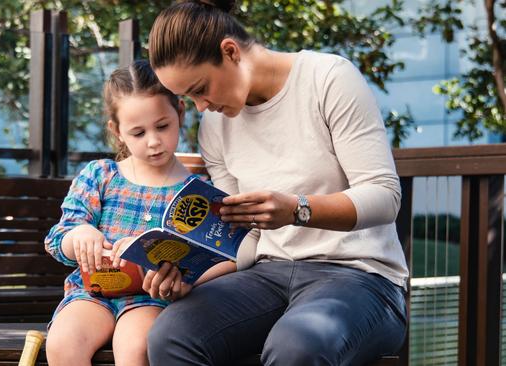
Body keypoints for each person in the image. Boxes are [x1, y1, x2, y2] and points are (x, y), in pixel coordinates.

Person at [142, 1, 409, 365]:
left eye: (201, 88)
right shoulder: (215, 128)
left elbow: (384, 195)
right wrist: (193, 274)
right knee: (171, 335)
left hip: (361, 277)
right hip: (266, 275)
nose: (201, 107)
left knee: (297, 346)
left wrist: (296, 210)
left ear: (230, 52)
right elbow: (245, 235)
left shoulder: (327, 78)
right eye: (189, 98)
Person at [43, 59, 235, 366]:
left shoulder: (198, 192)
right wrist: (79, 234)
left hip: (151, 298)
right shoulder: (101, 175)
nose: (154, 141)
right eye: (138, 133)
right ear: (117, 132)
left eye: (162, 126)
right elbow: (57, 241)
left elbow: (227, 255)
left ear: (180, 114)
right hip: (92, 294)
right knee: (63, 344)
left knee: (136, 350)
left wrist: (184, 275)